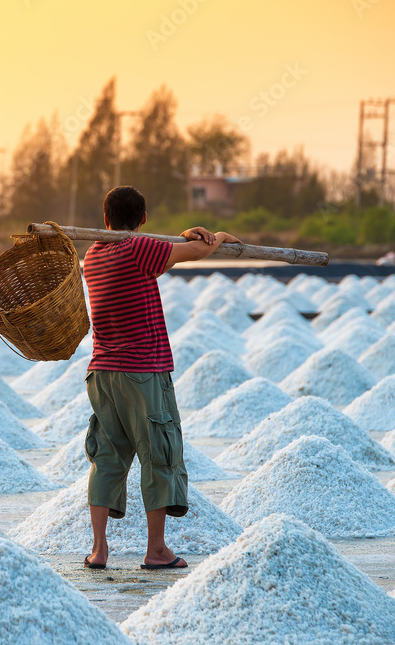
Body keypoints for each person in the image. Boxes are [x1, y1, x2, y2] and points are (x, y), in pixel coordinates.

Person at [82, 185, 240, 571]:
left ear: (105, 220)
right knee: (159, 456)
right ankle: (156, 551)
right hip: (143, 372)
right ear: (144, 220)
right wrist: (217, 237)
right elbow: (199, 252)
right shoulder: (138, 249)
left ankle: (99, 550)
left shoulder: (92, 255)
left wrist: (186, 235)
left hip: (102, 373)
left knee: (107, 458)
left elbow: (174, 250)